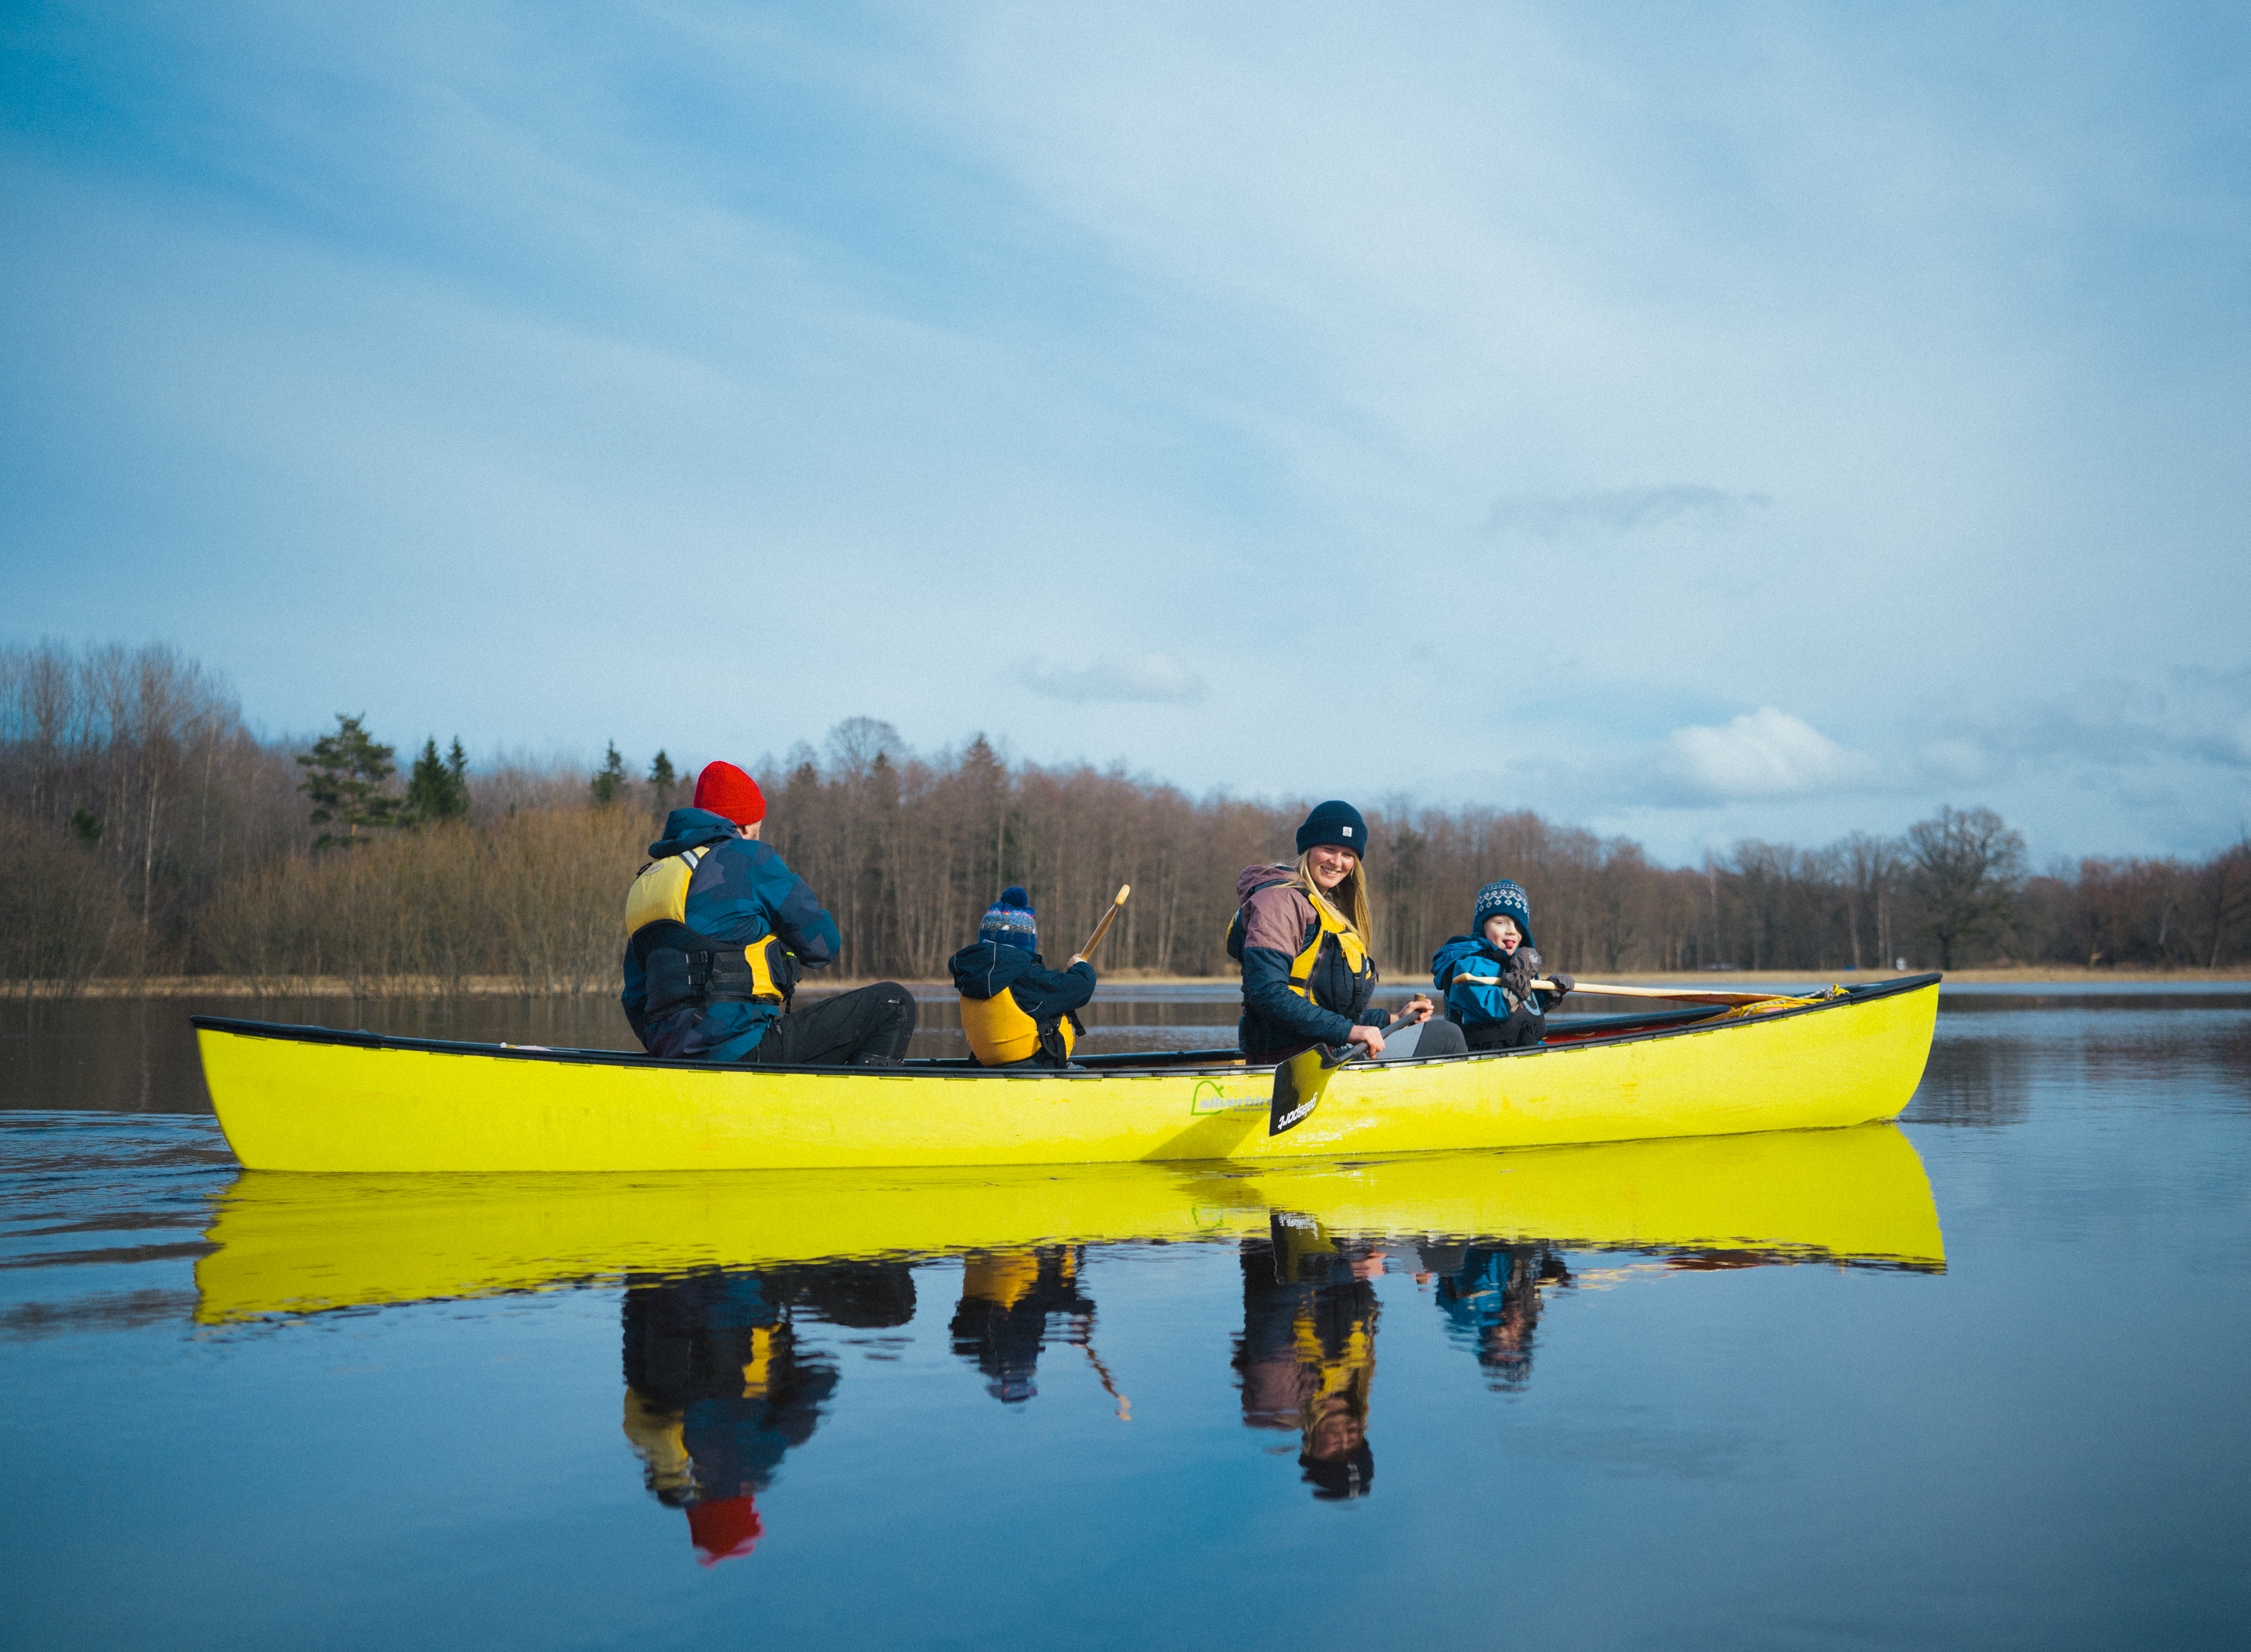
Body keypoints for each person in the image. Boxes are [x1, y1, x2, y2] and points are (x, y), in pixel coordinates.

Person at [621, 760, 916, 1065]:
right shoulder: (750, 857)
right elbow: (824, 947)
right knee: (893, 1003)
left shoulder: (648, 882)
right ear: (747, 825)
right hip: (743, 1047)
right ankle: (858, 1109)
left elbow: (634, 998)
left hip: (667, 1057)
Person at [1228, 800, 1465, 1064]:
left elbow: (1327, 1009)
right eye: (1329, 849)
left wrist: (1392, 1019)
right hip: (1292, 1059)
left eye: (1348, 854)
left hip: (1326, 1050)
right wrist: (1350, 1032)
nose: (1337, 862)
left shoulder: (1324, 909)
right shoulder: (1280, 902)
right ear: (1309, 849)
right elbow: (1268, 994)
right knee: (1447, 1035)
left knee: (1442, 1031)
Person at [947, 887, 1097, 1068]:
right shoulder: (1026, 977)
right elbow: (1081, 987)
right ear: (1027, 941)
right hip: (1034, 1068)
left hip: (991, 1066)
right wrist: (1080, 966)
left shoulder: (969, 973)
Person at [1430, 879, 1576, 1050]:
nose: (1512, 931)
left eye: (1518, 926)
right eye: (1501, 923)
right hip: (1485, 1058)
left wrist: (1549, 994)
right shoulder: (1469, 964)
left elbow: (1524, 1011)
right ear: (1483, 926)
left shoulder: (1514, 964)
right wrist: (1520, 977)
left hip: (1522, 1049)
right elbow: (1495, 1007)